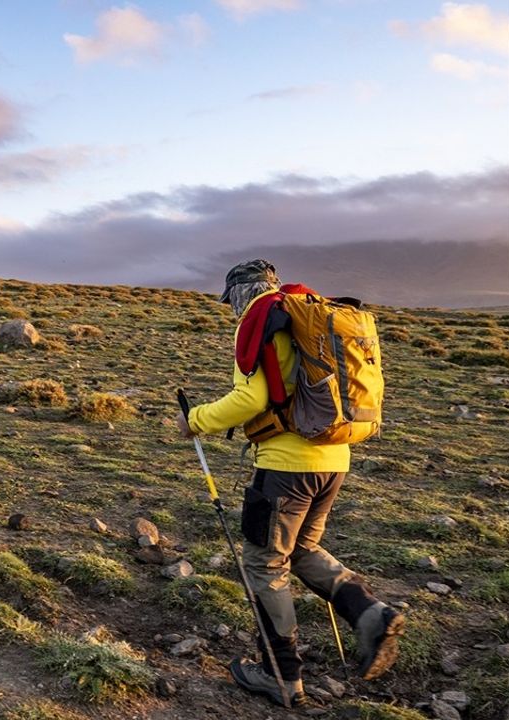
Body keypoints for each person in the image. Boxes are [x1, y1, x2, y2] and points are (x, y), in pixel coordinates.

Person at [177, 259, 404, 707]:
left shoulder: (263, 320)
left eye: (232, 301)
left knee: (265, 562)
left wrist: (195, 420)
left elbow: (252, 397)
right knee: (300, 549)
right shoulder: (309, 312)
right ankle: (371, 613)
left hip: (287, 463)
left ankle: (279, 674)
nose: (232, 310)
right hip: (334, 459)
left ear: (241, 292)